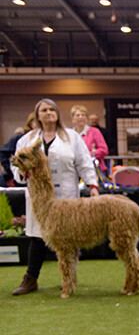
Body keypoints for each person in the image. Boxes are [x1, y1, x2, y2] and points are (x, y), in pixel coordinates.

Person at [10, 99, 100, 296]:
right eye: (44, 110)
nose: (48, 113)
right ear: (37, 115)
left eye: (52, 109)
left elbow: (84, 162)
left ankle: (69, 279)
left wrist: (92, 185)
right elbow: (16, 164)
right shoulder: (27, 140)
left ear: (58, 113)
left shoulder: (72, 137)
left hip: (66, 195)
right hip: (39, 197)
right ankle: (30, 279)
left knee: (68, 239)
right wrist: (23, 174)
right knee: (37, 236)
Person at [1, 113, 38, 186]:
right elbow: (3, 153)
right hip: (22, 180)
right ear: (31, 124)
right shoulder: (20, 139)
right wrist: (12, 170)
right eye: (36, 122)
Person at [72, 104, 109, 172]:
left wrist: (86, 155)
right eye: (77, 115)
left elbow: (104, 150)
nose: (80, 117)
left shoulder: (95, 131)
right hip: (75, 170)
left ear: (86, 118)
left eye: (83, 115)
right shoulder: (69, 134)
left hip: (94, 169)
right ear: (73, 119)